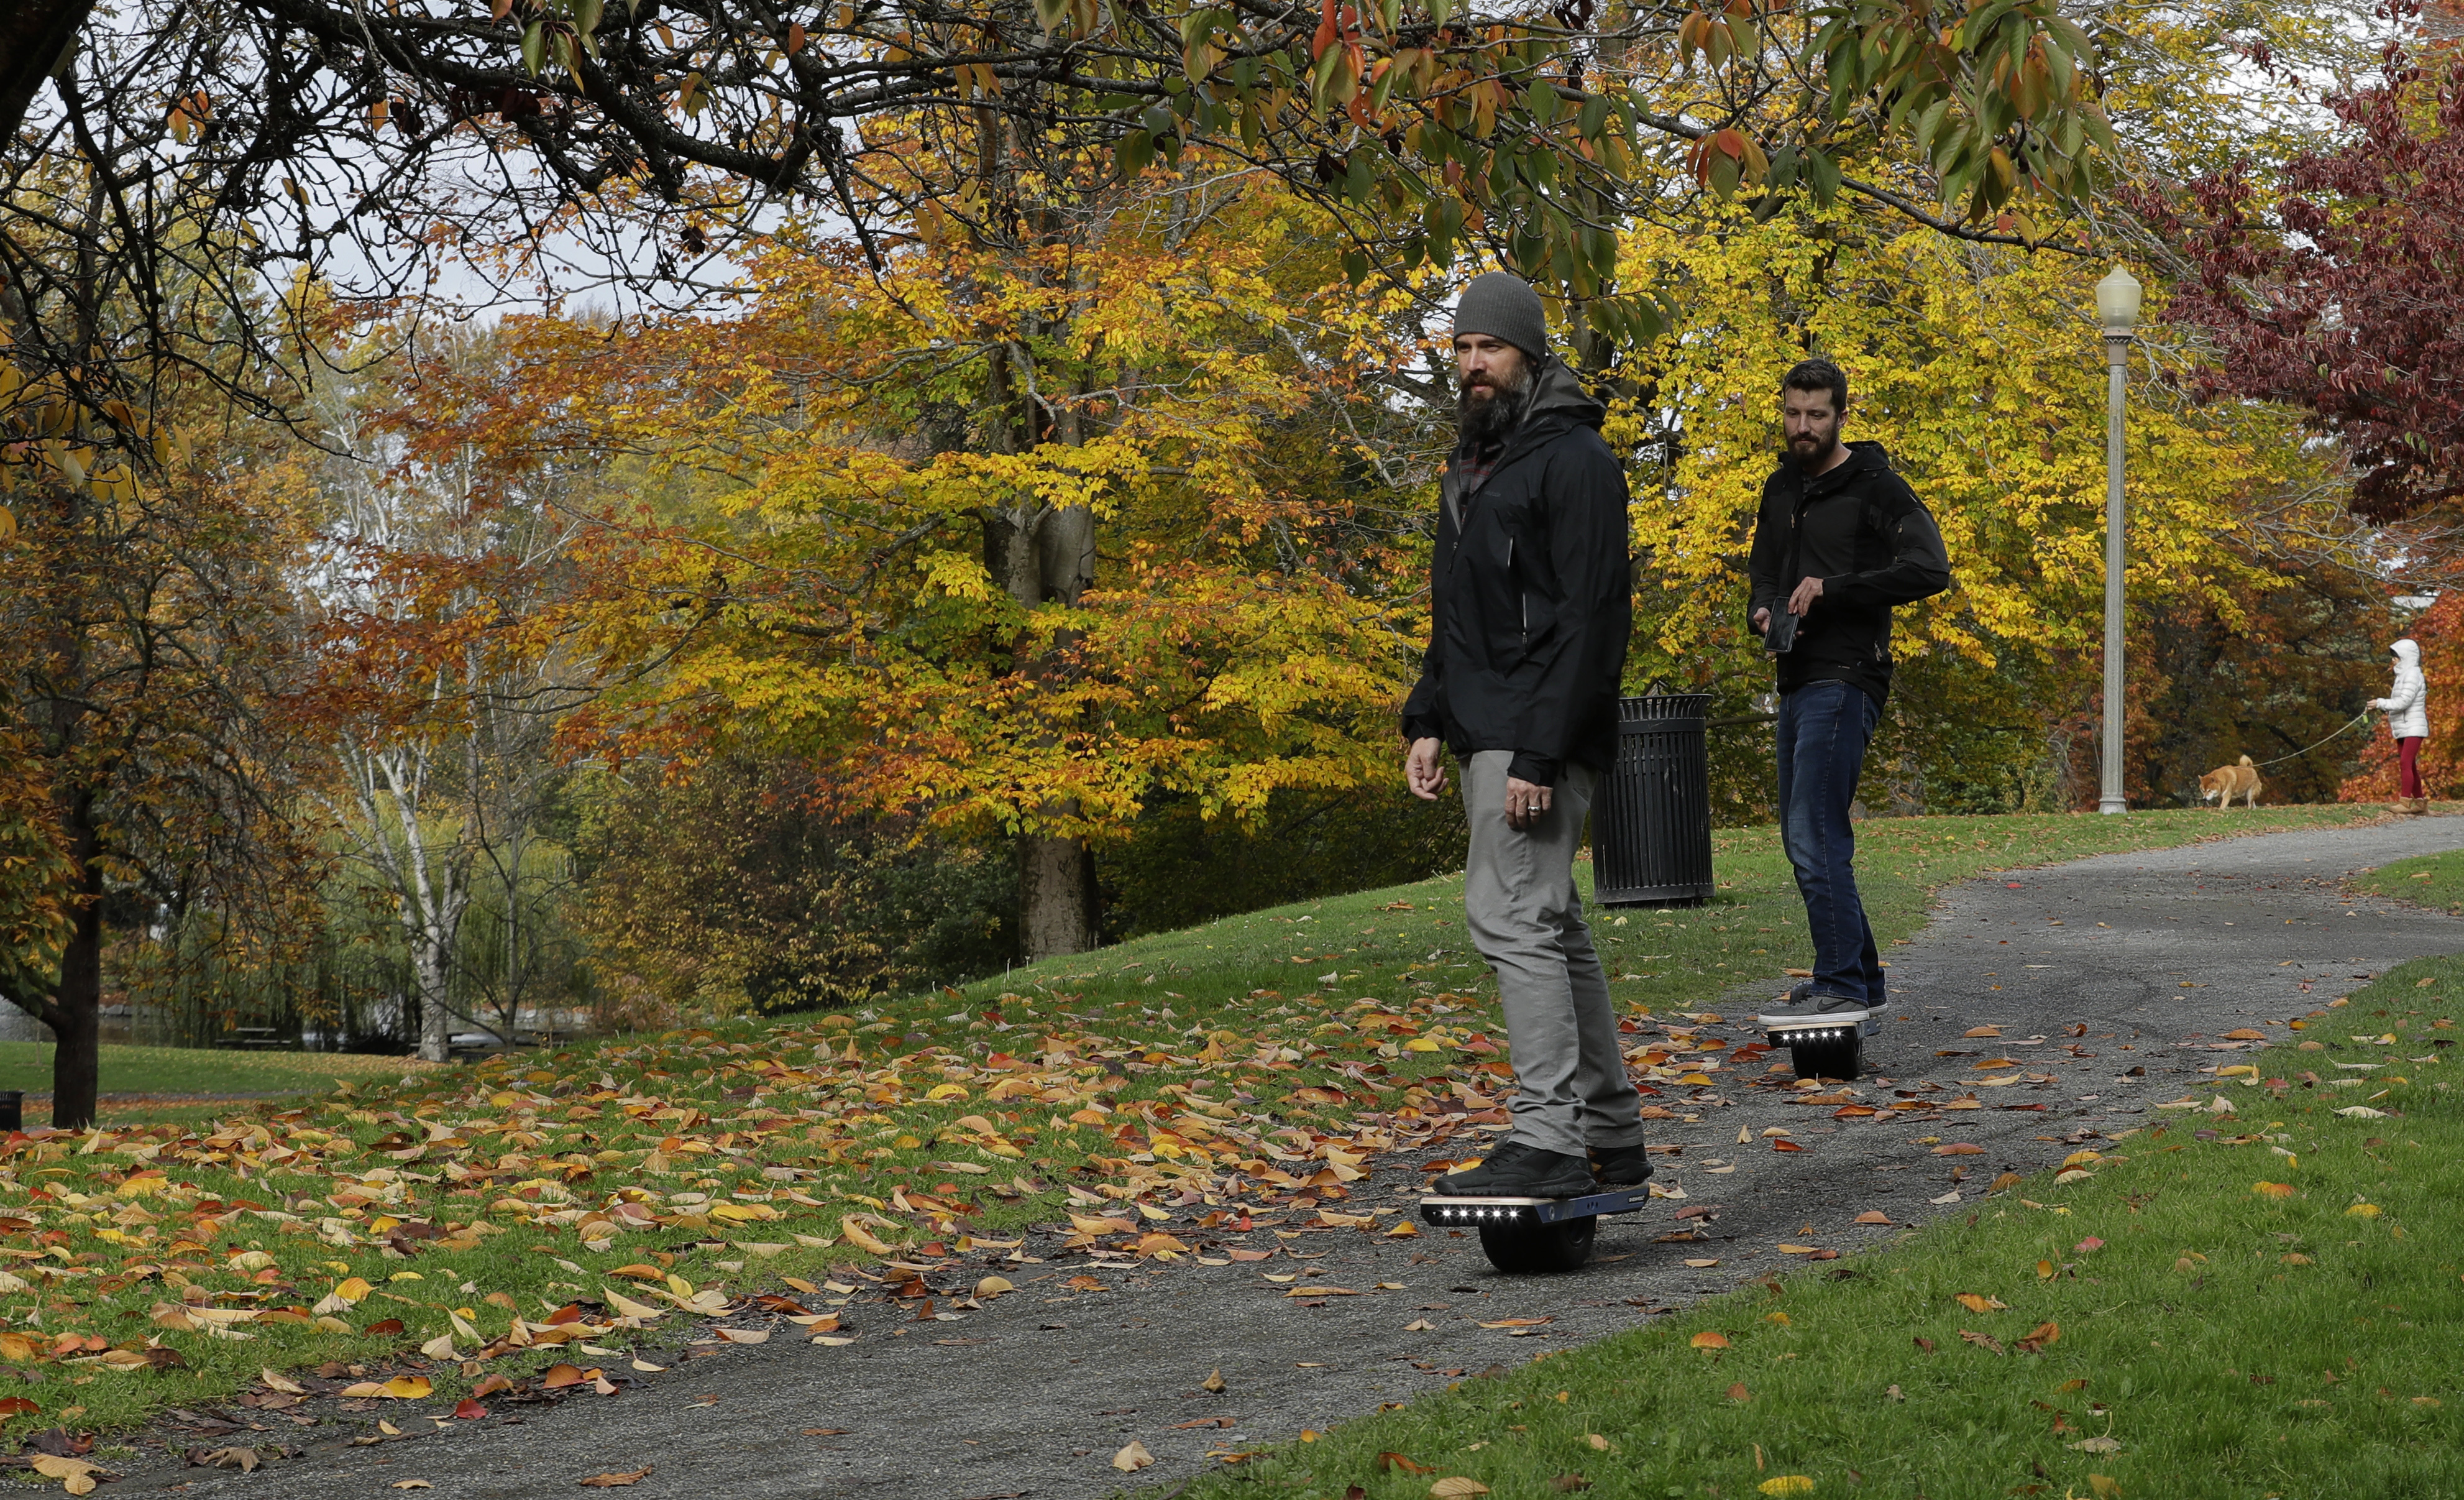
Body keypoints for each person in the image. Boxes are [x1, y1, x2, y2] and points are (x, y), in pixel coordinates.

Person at [1401, 271, 1647, 1200]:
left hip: (1536, 729)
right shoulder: (1475, 466)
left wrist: (1540, 752)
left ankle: (1547, 1137)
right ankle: (1609, 1131)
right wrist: (1428, 716)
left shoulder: (1574, 461)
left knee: (1510, 917)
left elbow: (1590, 618)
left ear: (1529, 356)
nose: (1472, 365)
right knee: (1551, 921)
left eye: (1489, 349)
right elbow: (1458, 612)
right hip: (1487, 724)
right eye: (1461, 348)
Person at [1746, 359, 1951, 1023]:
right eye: (1791, 413)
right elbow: (1760, 578)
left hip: (1847, 677)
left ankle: (1838, 981)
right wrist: (1762, 609)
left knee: (1813, 830)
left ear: (1841, 414)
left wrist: (1829, 590)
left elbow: (1929, 568)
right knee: (1800, 831)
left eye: (1815, 415)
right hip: (1795, 678)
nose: (1801, 427)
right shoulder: (1778, 490)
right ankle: (1858, 974)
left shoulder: (1875, 486)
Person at [2371, 638, 2430, 815]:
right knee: (2410, 765)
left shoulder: (2413, 675)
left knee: (2405, 763)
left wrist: (2379, 703)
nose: (2393, 660)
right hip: (2404, 727)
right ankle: (2420, 803)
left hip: (2413, 726)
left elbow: (2404, 702)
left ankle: (2405, 802)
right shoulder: (2403, 676)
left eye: (2396, 656)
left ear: (2406, 657)